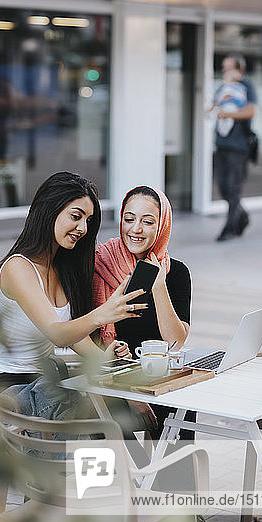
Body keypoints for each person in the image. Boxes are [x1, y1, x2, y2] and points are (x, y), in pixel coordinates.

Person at [0, 171, 147, 396]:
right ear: (50, 211)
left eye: (88, 221)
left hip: (35, 383)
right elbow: (57, 334)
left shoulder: (62, 268)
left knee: (111, 404)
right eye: (75, 216)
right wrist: (103, 314)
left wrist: (105, 357)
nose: (83, 228)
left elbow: (71, 334)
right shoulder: (18, 267)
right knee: (88, 406)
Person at [92, 185, 192, 441]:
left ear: (162, 226)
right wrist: (133, 395)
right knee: (103, 415)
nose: (135, 229)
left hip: (156, 378)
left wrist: (158, 285)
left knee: (182, 406)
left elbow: (175, 341)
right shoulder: (99, 263)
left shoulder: (176, 272)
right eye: (129, 219)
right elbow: (87, 337)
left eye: (147, 222)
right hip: (107, 378)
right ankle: (127, 478)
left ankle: (170, 480)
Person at [212, 54, 257, 242]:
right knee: (222, 186)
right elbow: (216, 106)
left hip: (238, 147)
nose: (223, 71)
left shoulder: (247, 87)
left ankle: (229, 228)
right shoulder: (223, 87)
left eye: (227, 67)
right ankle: (242, 216)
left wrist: (228, 113)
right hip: (221, 144)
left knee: (234, 188)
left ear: (239, 69)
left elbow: (250, 111)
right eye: (223, 67)